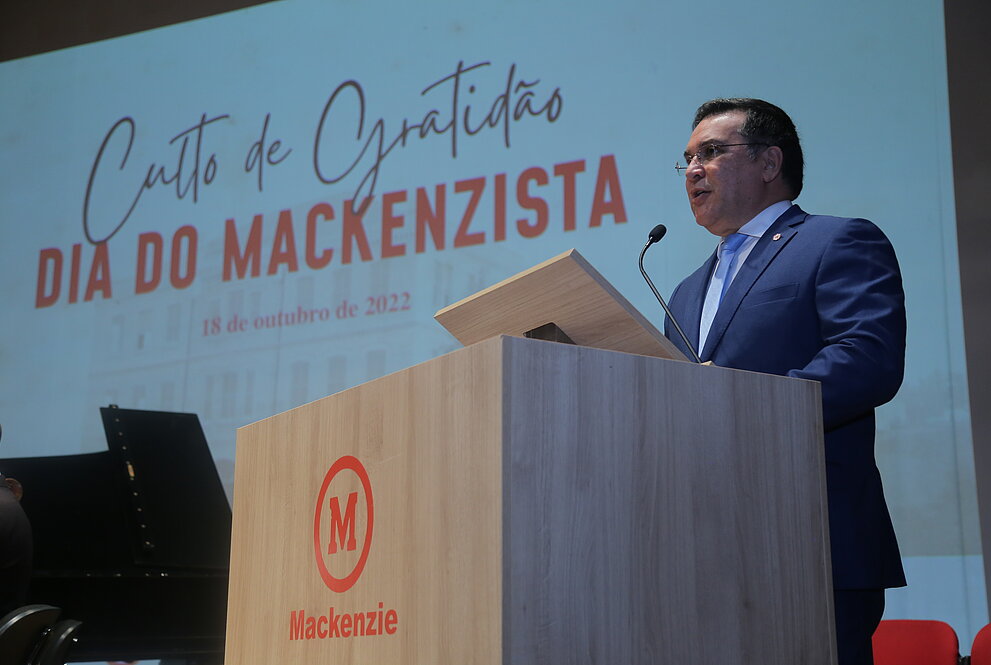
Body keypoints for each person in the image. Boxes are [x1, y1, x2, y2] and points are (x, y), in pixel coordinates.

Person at [664, 98, 906, 665]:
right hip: (703, 551)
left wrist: (742, 403)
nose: (693, 170)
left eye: (711, 152)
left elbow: (866, 358)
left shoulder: (836, 241)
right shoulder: (684, 291)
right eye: (687, 159)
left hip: (810, 539)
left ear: (770, 162)